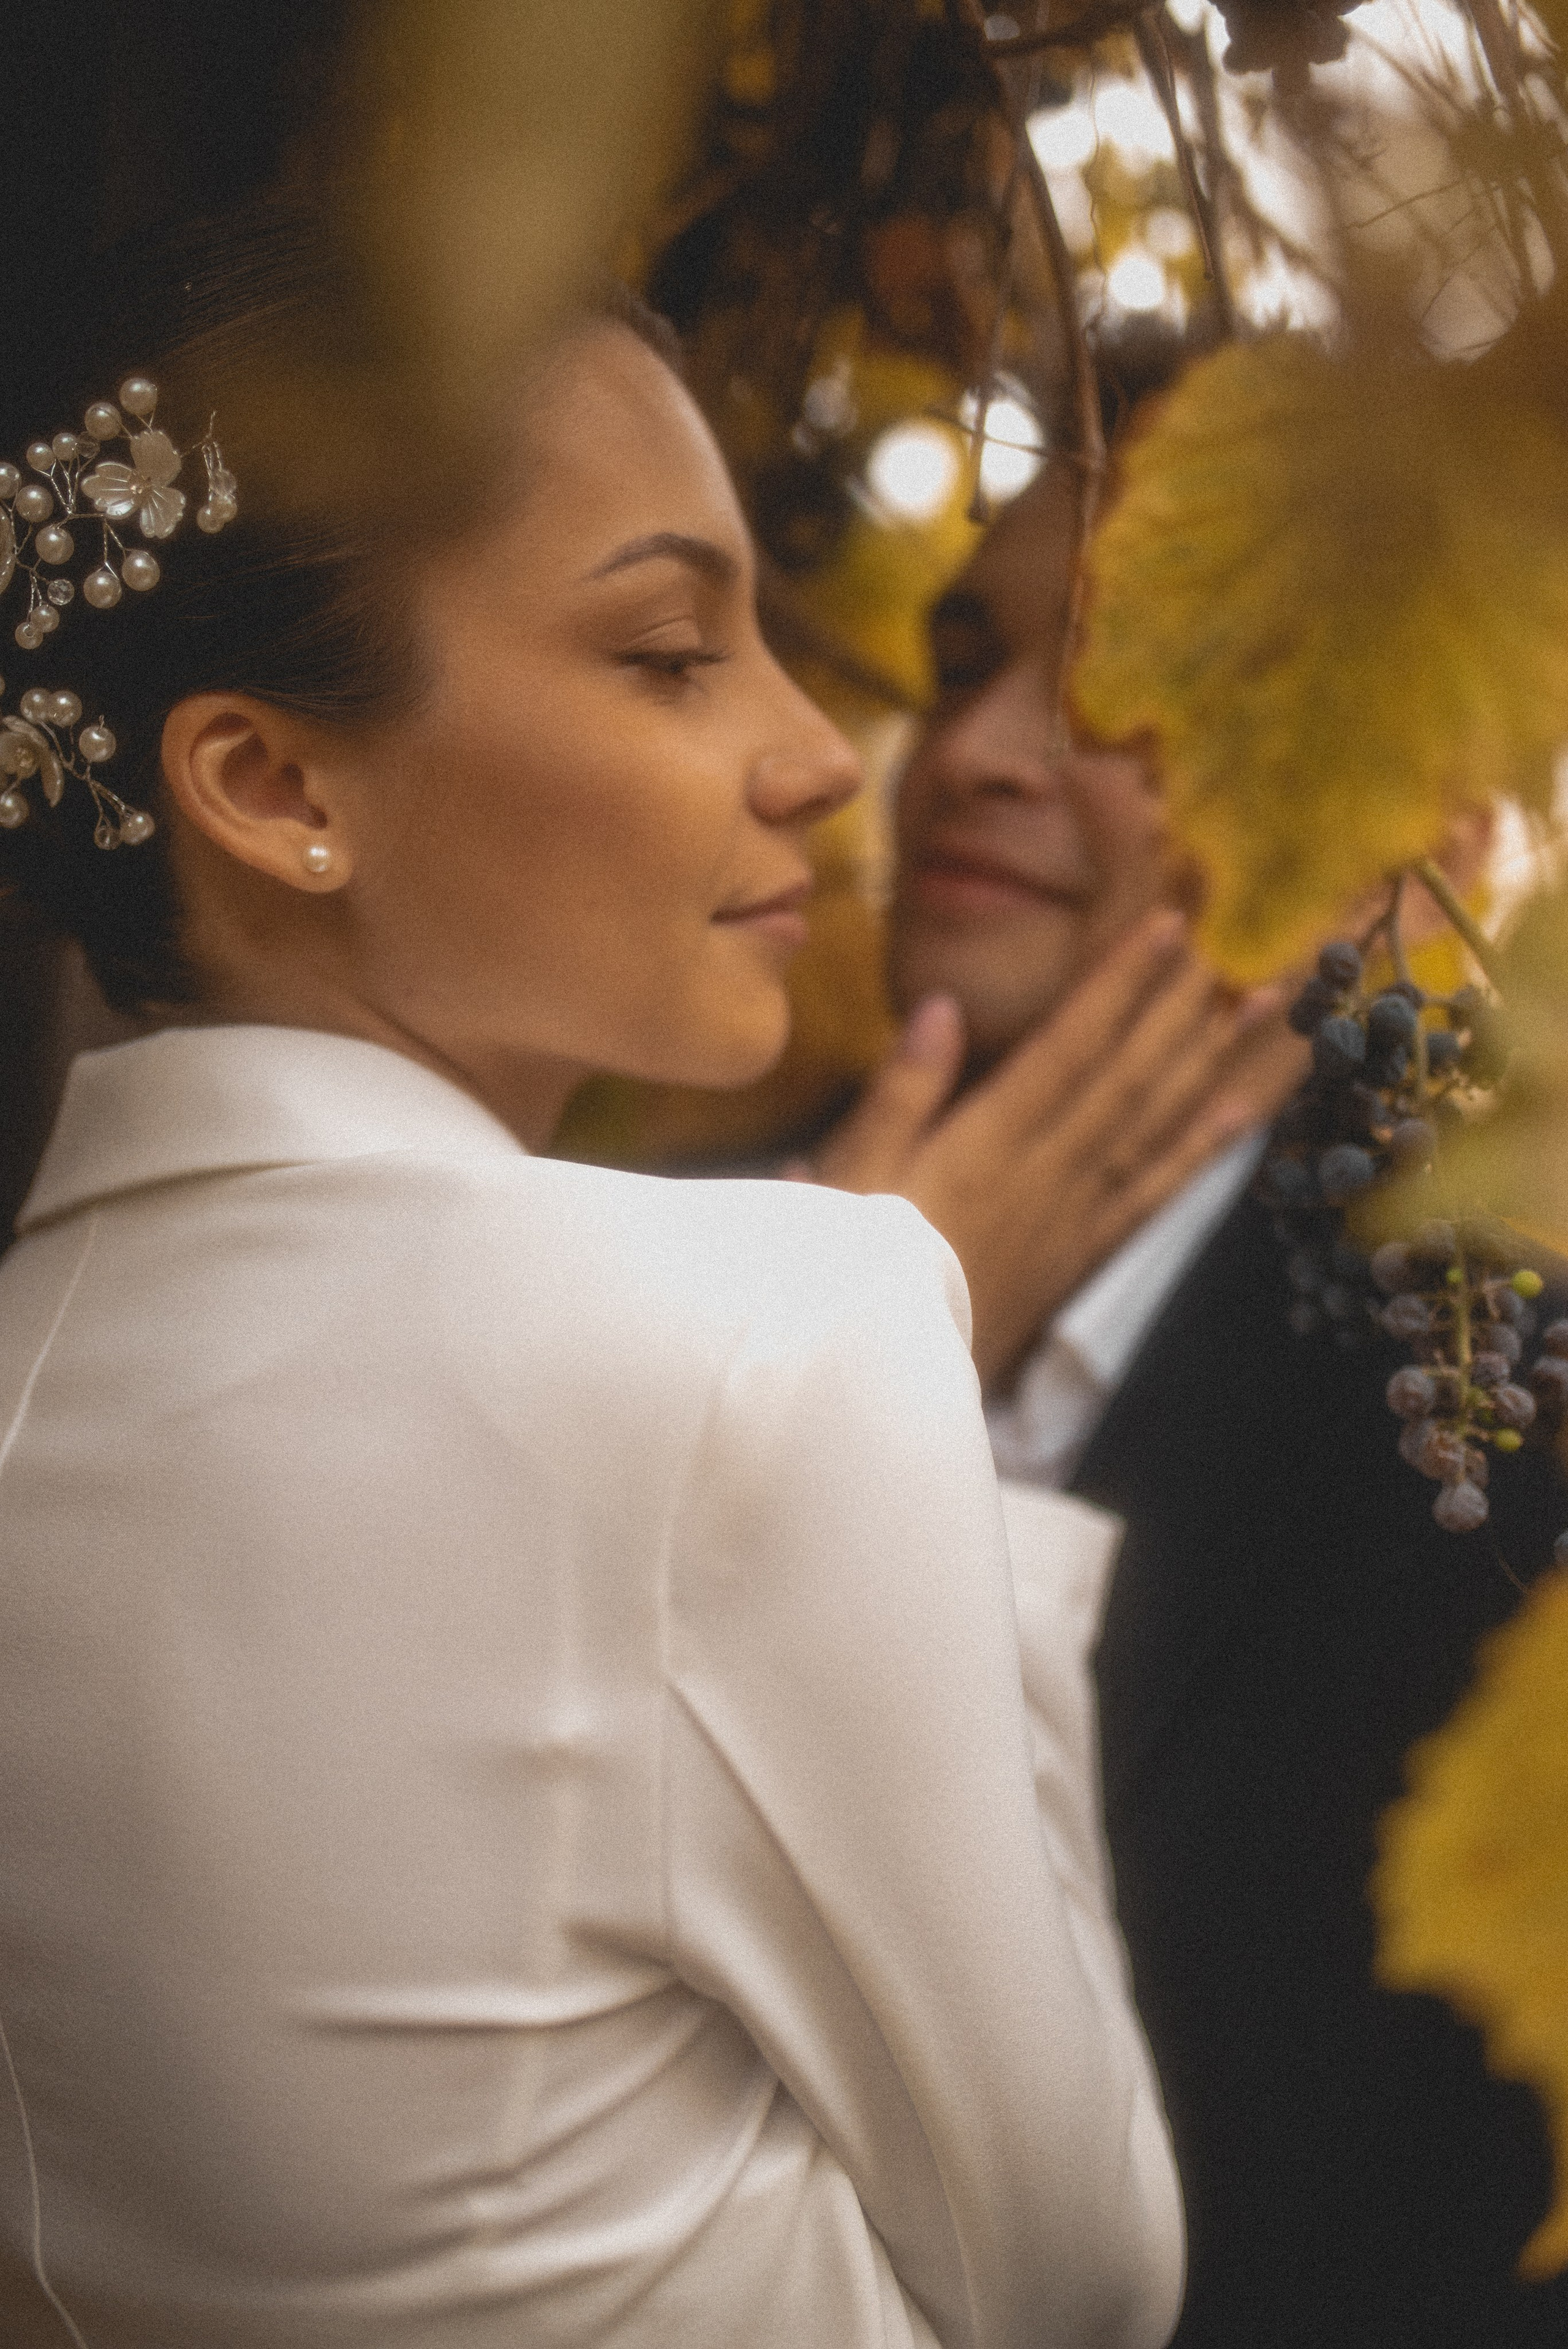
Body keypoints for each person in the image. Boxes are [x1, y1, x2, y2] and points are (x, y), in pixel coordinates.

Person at [0, 211, 1186, 2349]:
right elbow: (1086, 2282)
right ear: (274, 787)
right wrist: (953, 1414)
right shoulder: (778, 1329)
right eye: (667, 654)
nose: (827, 756)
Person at [807, 450, 1568, 2347]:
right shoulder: (662, 1253)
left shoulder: (1497, 1434)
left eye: (1116, 695)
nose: (970, 749)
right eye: (962, 655)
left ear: (1415, 826)